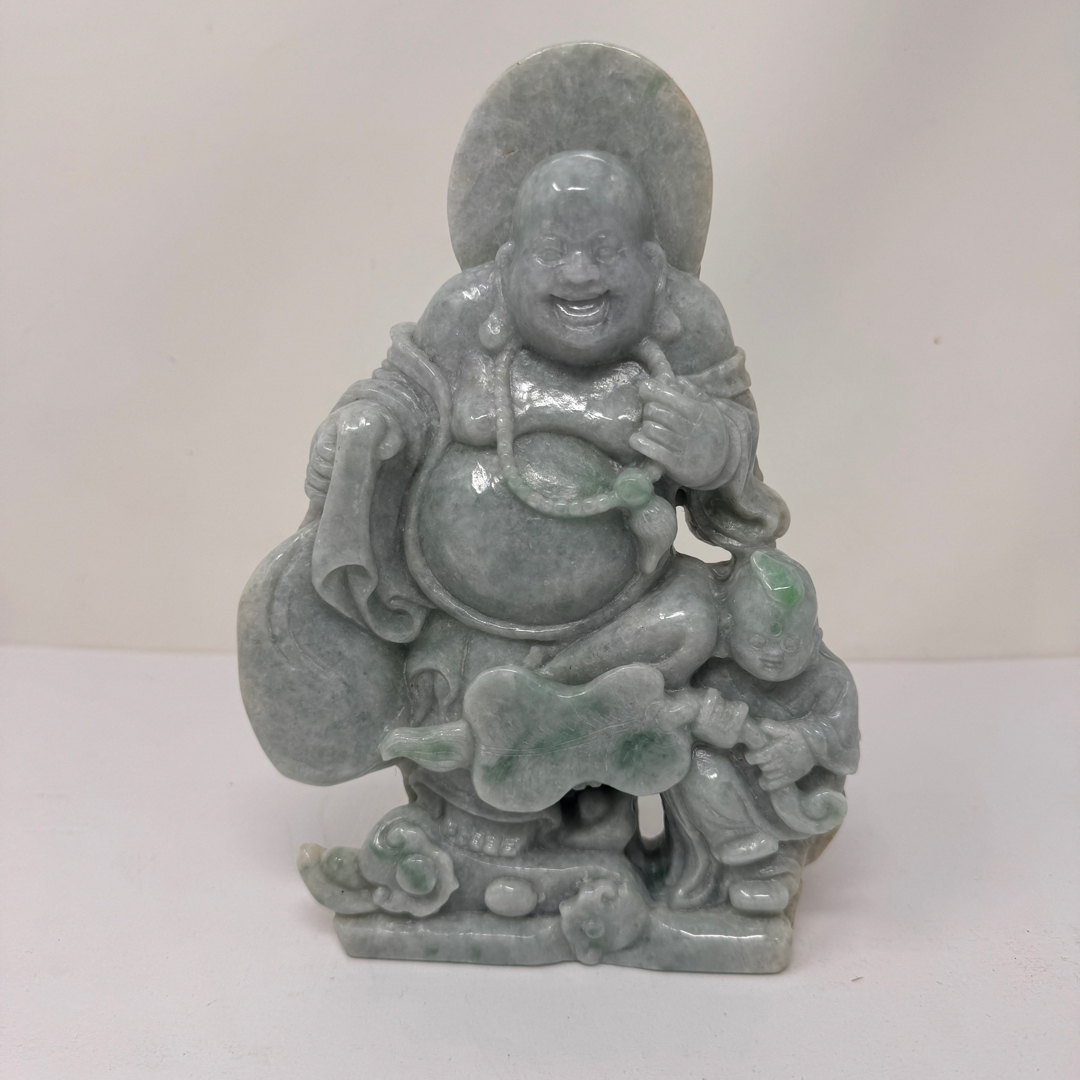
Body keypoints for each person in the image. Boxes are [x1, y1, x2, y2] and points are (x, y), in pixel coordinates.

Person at [661, 548, 860, 914]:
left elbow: (843, 742)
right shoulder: (714, 673)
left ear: (815, 636)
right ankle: (744, 864)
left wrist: (805, 745)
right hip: (733, 792)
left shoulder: (832, 681)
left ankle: (775, 869)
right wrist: (705, 728)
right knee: (695, 765)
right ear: (728, 634)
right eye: (757, 642)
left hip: (797, 796)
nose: (774, 654)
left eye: (790, 643)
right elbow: (678, 715)